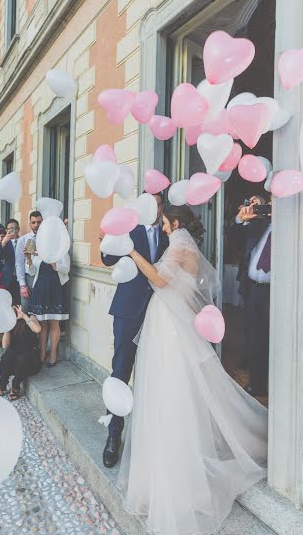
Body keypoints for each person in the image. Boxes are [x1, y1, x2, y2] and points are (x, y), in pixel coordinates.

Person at [116, 205, 268, 535]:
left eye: (166, 219)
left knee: (170, 395)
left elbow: (158, 278)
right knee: (169, 394)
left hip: (169, 330)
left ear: (176, 222)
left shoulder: (181, 243)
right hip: (167, 324)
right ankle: (159, 473)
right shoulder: (181, 244)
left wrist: (131, 253)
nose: (163, 224)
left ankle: (177, 478)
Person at [101, 192, 169, 468]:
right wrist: (105, 240)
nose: (152, 208)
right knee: (120, 373)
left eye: (157, 203)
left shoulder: (170, 234)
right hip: (128, 312)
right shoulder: (129, 227)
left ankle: (150, 438)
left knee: (156, 375)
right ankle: (113, 436)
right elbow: (107, 259)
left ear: (162, 206)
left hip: (161, 314)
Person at [229, 195, 271, 397]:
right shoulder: (257, 225)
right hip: (253, 288)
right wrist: (241, 219)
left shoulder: (290, 226)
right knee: (254, 338)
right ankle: (256, 384)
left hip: (274, 292)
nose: (257, 207)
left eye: (261, 204)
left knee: (272, 339)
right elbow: (234, 238)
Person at [26, 249, 70, 365]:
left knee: (54, 323)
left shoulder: (61, 251)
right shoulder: (39, 250)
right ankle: (42, 353)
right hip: (40, 290)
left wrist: (53, 263)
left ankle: (53, 352)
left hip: (56, 289)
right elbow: (31, 272)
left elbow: (66, 269)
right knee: (43, 324)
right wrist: (29, 259)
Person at [0, 305, 42, 400]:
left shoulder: (30, 317)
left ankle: (15, 387)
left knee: (22, 358)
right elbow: (4, 345)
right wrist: (8, 327)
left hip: (30, 357)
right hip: (14, 357)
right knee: (7, 357)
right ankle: (2, 385)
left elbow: (37, 329)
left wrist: (24, 316)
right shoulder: (10, 323)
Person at [15, 211, 43, 313]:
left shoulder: (47, 239)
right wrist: (22, 285)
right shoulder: (23, 240)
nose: (36, 225)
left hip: (44, 277)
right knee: (26, 309)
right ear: (29, 223)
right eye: (33, 222)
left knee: (41, 310)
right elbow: (19, 263)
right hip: (29, 278)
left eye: (39, 222)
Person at [0, 219, 21, 305]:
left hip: (22, 278)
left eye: (14, 228)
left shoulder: (24, 240)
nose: (12, 230)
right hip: (8, 278)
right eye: (9, 229)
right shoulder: (3, 243)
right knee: (7, 304)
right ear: (6, 230)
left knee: (21, 304)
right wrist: (3, 244)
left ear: (18, 229)